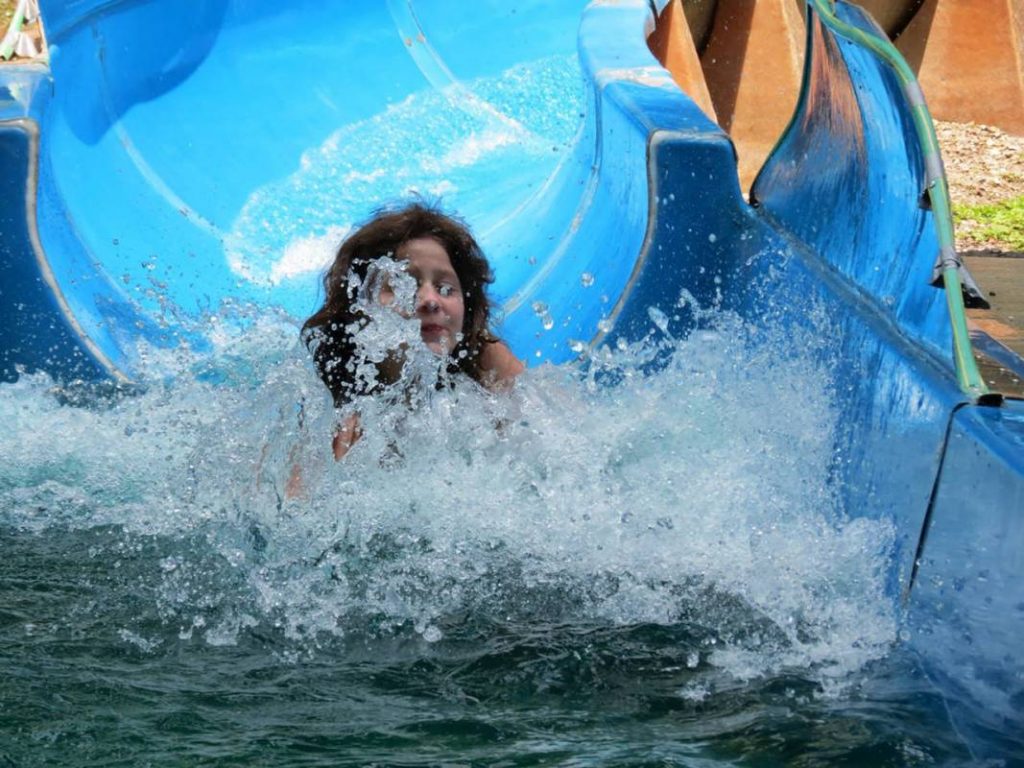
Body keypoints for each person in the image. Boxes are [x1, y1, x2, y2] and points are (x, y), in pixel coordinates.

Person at [301, 202, 524, 461]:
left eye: (446, 288)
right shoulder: (336, 410)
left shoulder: (483, 363)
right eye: (402, 284)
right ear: (359, 307)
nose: (430, 300)